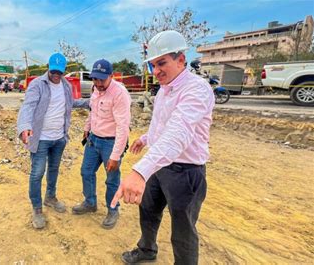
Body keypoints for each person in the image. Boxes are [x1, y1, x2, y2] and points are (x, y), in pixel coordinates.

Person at [110, 30, 215, 264]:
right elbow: (163, 125)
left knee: (183, 228)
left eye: (162, 63)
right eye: (152, 65)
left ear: (181, 60)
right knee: (148, 211)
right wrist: (146, 138)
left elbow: (178, 133)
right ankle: (147, 250)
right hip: (160, 166)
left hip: (186, 172)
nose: (156, 71)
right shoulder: (165, 90)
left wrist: (139, 171)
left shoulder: (196, 89)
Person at [17, 52, 88, 230]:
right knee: (37, 173)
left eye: (59, 72)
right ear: (48, 68)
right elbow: (28, 106)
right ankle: (37, 208)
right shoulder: (37, 85)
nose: (56, 75)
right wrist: (24, 126)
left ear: (64, 71)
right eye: (53, 71)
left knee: (54, 169)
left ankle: (50, 197)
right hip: (40, 138)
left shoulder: (65, 85)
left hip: (59, 137)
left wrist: (89, 102)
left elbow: (70, 103)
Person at [72, 59, 131, 230]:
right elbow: (93, 111)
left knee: (112, 179)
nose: (98, 83)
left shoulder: (120, 94)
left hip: (111, 143)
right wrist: (86, 128)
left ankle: (113, 209)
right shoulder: (95, 89)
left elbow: (123, 127)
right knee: (86, 171)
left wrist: (115, 155)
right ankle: (90, 202)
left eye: (102, 80)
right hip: (93, 139)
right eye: (95, 79)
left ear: (111, 76)